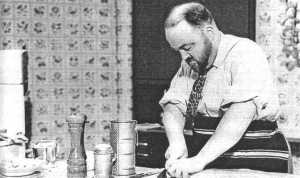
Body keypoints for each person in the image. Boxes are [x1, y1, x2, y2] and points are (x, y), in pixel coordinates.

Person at [159, 2, 291, 177]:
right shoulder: (191, 61)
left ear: (209, 33)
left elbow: (240, 114)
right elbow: (173, 104)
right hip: (209, 159)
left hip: (254, 157)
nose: (183, 56)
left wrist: (198, 161)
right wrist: (176, 142)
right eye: (178, 50)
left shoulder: (244, 52)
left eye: (187, 47)